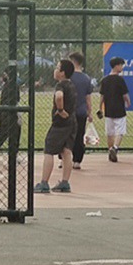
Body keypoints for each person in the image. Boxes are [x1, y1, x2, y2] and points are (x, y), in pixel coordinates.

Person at [34, 59, 77, 193]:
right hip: (72, 121)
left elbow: (59, 97)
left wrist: (60, 110)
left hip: (60, 123)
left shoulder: (61, 85)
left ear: (62, 73)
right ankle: (64, 182)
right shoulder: (71, 85)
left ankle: (44, 182)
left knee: (49, 150)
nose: (55, 70)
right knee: (66, 151)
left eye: (58, 68)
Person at [98, 57, 130, 163]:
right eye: (121, 65)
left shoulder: (105, 80)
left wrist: (100, 107)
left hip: (109, 109)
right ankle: (115, 148)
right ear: (116, 66)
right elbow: (125, 94)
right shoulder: (120, 79)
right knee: (120, 131)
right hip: (119, 109)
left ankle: (110, 150)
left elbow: (102, 95)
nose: (122, 67)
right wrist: (128, 102)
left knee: (110, 132)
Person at [68, 51, 93, 170]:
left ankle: (64, 158)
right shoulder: (86, 78)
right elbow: (88, 97)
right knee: (79, 135)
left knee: (66, 135)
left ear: (73, 61)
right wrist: (90, 112)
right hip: (81, 111)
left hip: (68, 110)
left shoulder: (68, 77)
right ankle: (77, 160)